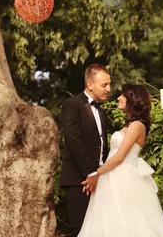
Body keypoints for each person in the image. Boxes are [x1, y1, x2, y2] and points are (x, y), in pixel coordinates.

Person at [78, 84, 163, 237]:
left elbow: (119, 157)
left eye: (122, 95)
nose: (118, 98)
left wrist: (95, 174)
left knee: (127, 221)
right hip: (112, 176)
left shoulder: (137, 126)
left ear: (132, 99)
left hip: (122, 177)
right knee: (108, 220)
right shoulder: (130, 125)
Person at [60, 64, 112, 237]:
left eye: (109, 84)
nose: (108, 89)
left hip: (99, 178)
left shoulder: (101, 111)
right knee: (81, 229)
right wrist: (90, 173)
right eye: (104, 85)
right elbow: (73, 140)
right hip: (78, 179)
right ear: (90, 84)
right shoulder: (71, 105)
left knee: (98, 230)